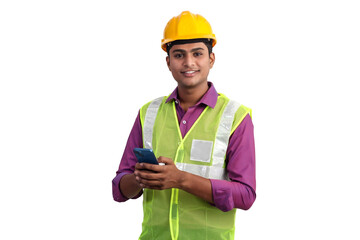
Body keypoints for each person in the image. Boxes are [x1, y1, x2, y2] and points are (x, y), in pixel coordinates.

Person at [112, 11, 256, 240]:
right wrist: (139, 179)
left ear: (211, 58)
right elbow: (119, 189)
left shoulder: (235, 117)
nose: (189, 62)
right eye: (179, 55)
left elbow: (246, 196)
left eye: (197, 53)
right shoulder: (148, 113)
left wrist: (180, 180)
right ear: (168, 62)